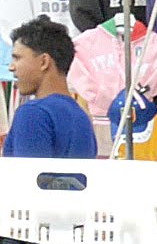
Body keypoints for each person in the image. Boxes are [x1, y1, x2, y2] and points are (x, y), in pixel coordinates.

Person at [3, 15, 96, 159]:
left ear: (44, 62)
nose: (11, 67)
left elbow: (28, 172)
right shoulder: (81, 117)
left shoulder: (33, 113)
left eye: (17, 58)